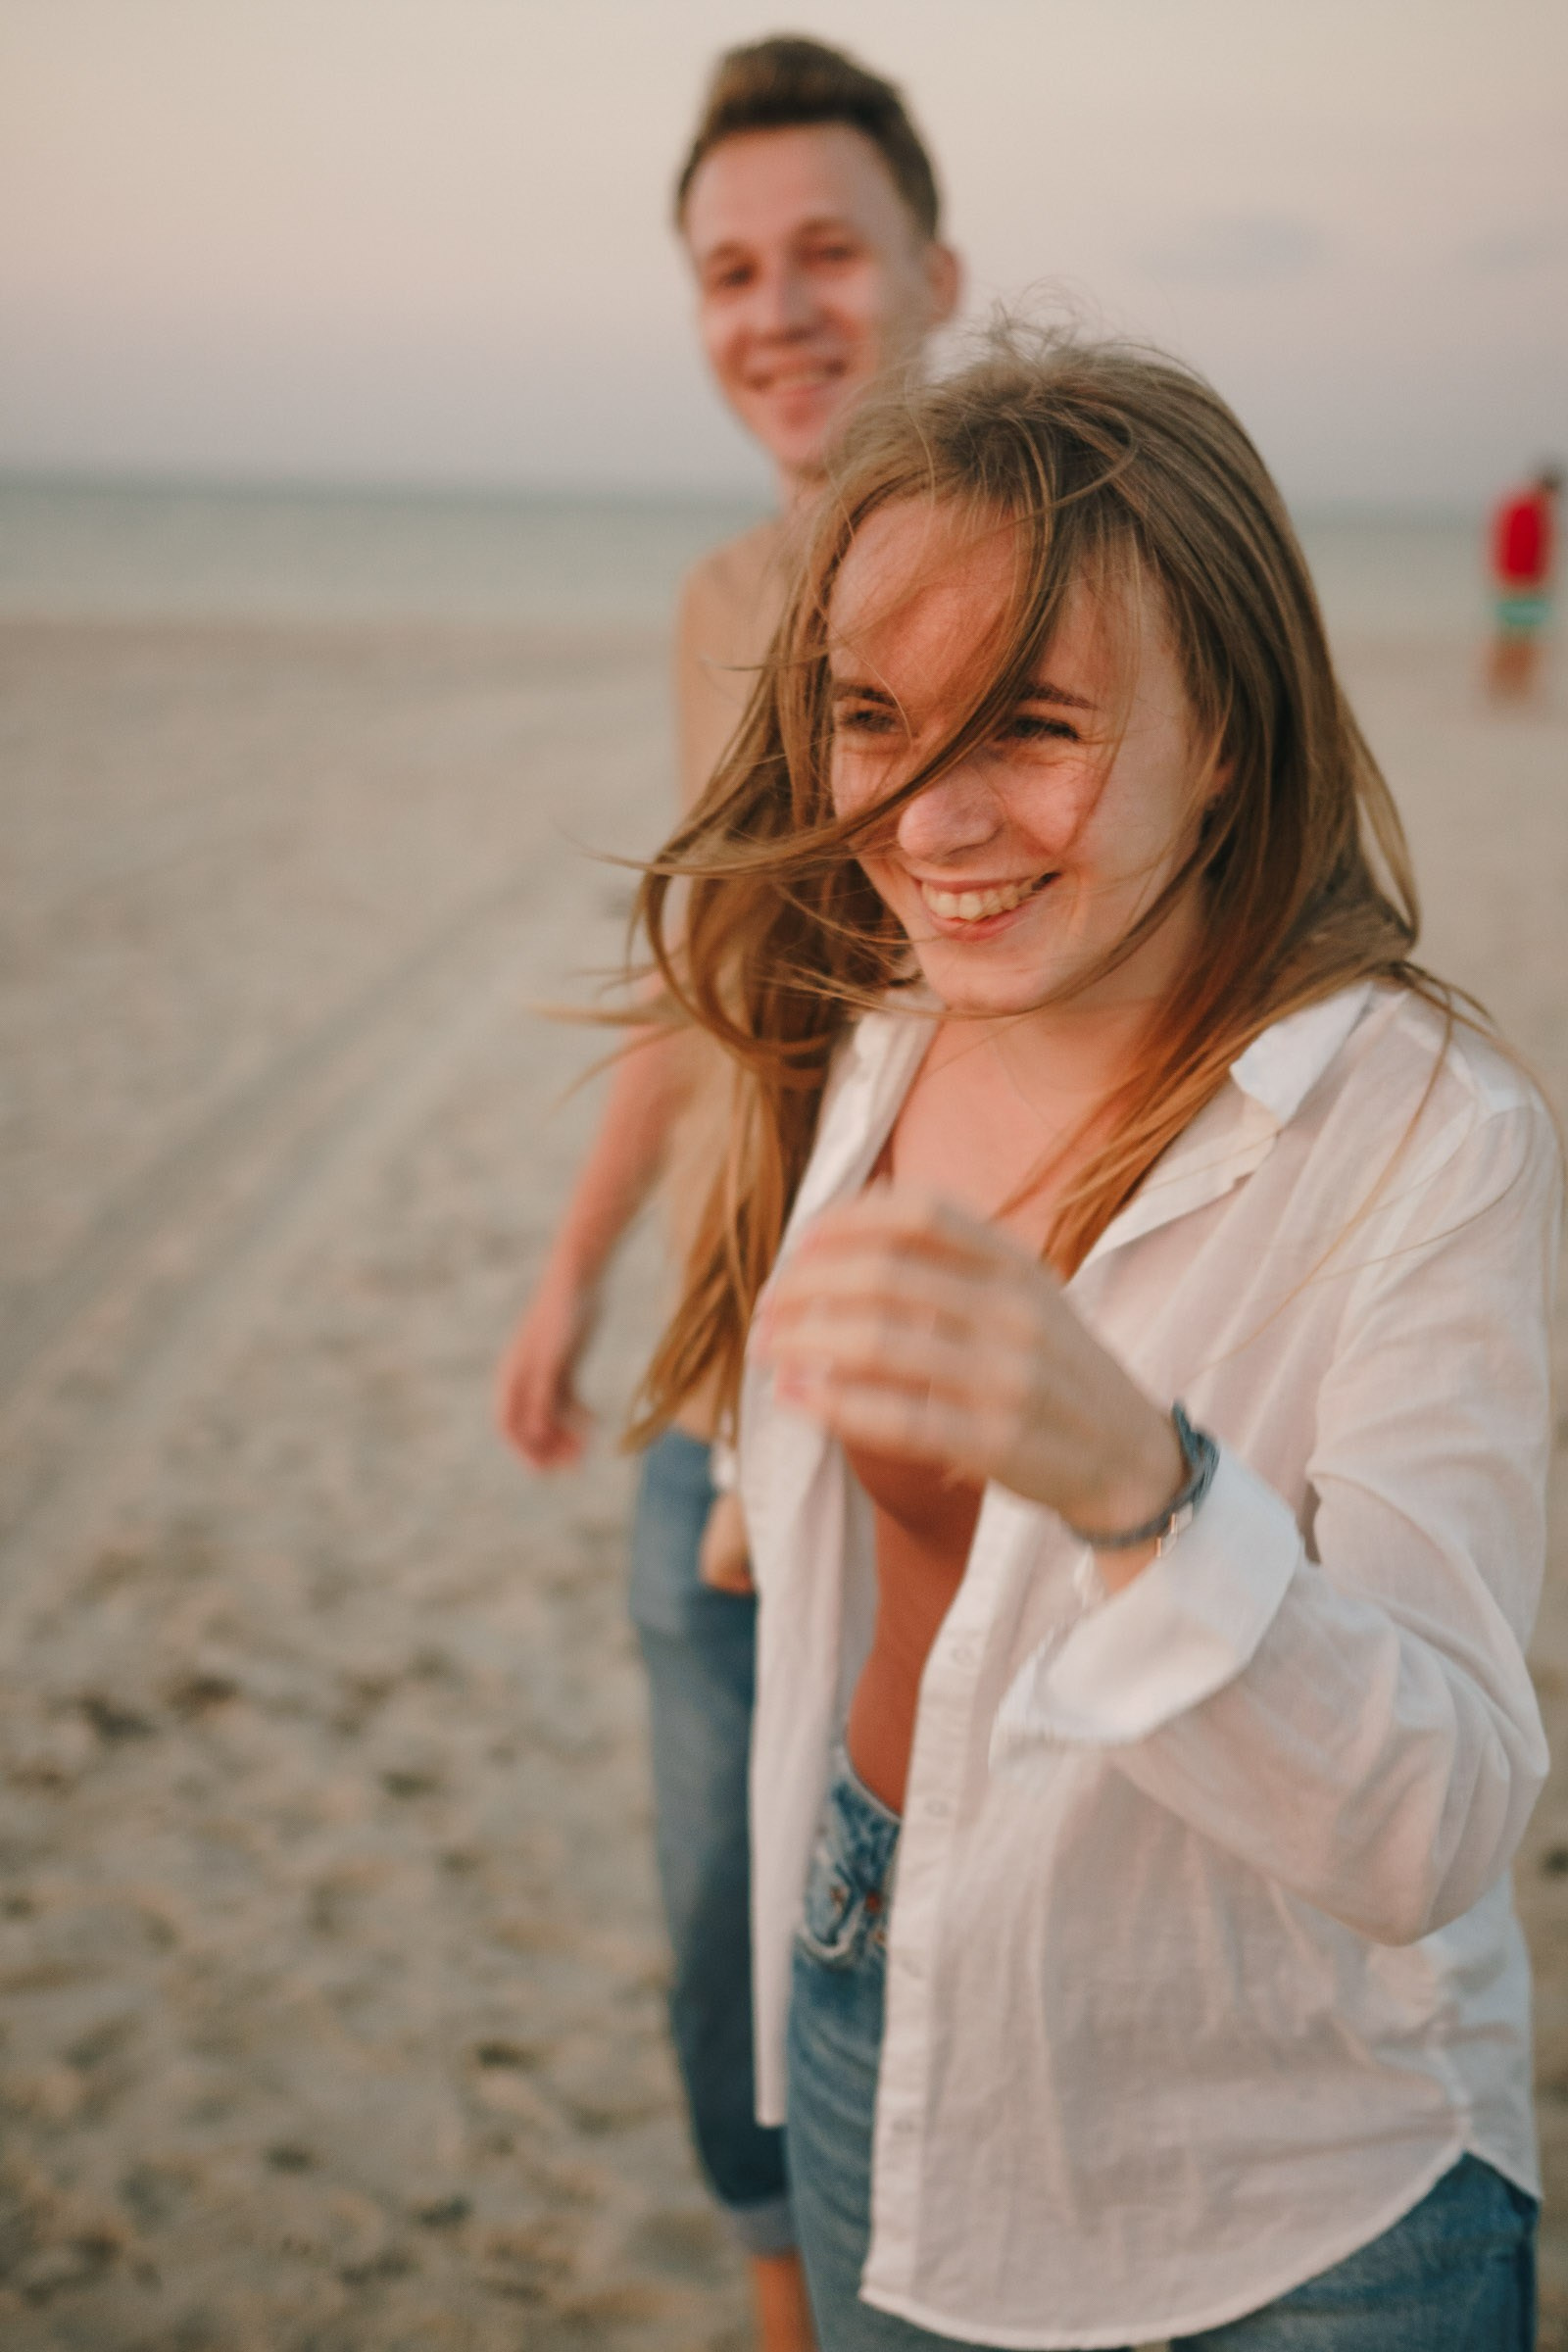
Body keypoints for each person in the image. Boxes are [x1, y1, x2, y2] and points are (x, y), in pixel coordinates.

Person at [632, 328, 1557, 2347]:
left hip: (1298, 2175)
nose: (933, 823)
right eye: (873, 720)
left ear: (1222, 727)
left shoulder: (1424, 1138)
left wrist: (1145, 1489)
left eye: (1030, 727)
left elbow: (1439, 1822)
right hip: (878, 1993)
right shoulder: (868, 1043)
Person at [495, 37, 958, 2349]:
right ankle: (779, 2296)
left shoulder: (1030, 576)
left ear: (932, 271)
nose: (773, 311)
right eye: (725, 270)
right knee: (713, 1909)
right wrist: (572, 1270)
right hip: (703, 1389)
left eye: (822, 255)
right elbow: (698, 984)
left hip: (912, 1403)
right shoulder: (718, 592)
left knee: (913, 1925)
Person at [1487, 465, 1560, 700]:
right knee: (1511, 638)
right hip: (1517, 583)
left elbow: (1541, 552)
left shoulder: (1538, 512)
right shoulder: (1523, 509)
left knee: (1525, 638)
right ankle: (1502, 686)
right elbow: (1513, 547)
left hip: (1528, 584)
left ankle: (1518, 688)